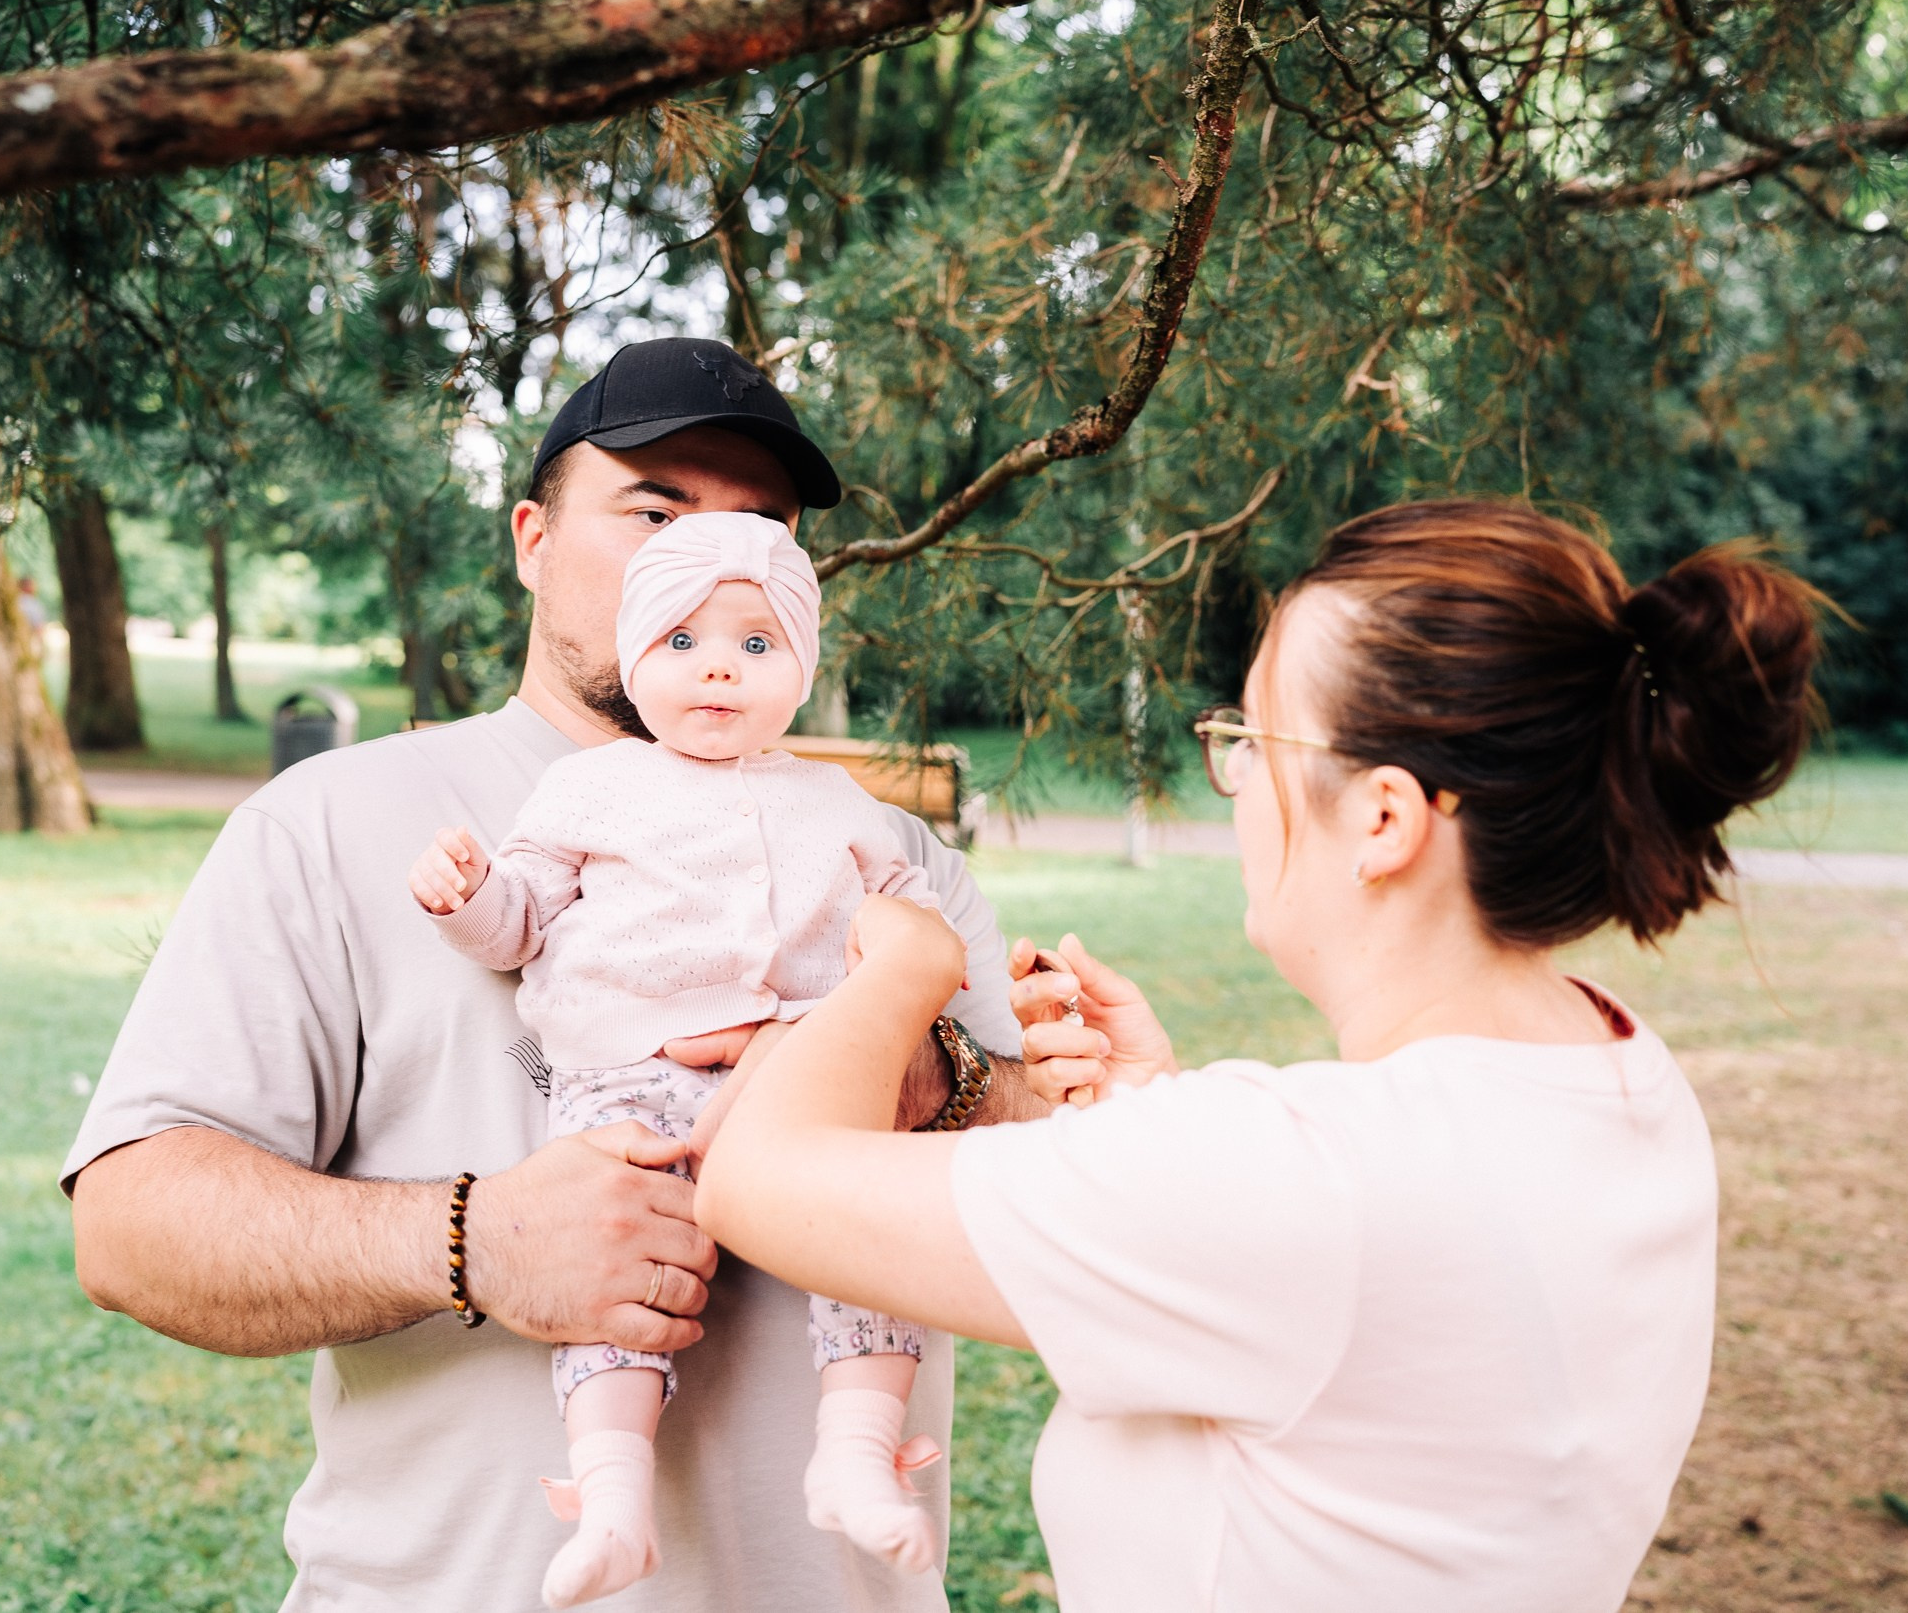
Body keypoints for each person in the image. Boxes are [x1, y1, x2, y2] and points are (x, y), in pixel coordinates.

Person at [696, 499, 1826, 1612]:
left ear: (1383, 820)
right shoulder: (1622, 1075)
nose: (1232, 781)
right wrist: (1154, 1109)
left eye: (1249, 740)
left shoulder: (1301, 1178)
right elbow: (1388, 1354)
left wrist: (904, 960)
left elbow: (756, 1180)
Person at [63, 337, 1044, 1613]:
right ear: (532, 538)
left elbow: (1050, 1193)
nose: (707, 558)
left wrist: (927, 1072)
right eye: (653, 512)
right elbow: (131, 1227)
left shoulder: (884, 851)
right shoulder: (336, 824)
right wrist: (475, 1238)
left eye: (759, 529)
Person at [414, 511, 953, 1604]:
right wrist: (469, 899)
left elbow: (907, 924)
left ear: (800, 665)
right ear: (633, 656)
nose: (718, 668)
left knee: (871, 1233)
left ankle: (856, 1451)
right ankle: (613, 1500)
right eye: (680, 642)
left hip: (800, 1076)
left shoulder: (838, 803)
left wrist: (893, 987)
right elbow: (520, 920)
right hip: (634, 1079)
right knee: (623, 1285)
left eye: (756, 646)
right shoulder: (589, 789)